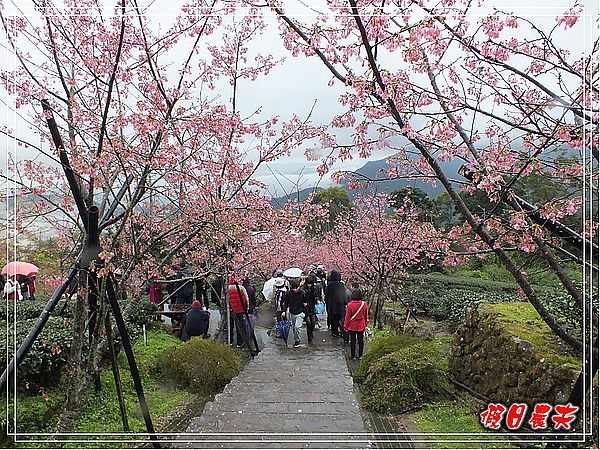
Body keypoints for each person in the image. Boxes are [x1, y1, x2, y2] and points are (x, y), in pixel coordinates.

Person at [344, 289, 369, 360]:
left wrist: (345, 326)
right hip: (361, 325)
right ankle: (360, 355)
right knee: (361, 340)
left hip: (352, 325)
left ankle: (353, 355)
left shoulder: (350, 305)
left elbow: (347, 317)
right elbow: (366, 316)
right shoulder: (364, 304)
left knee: (353, 341)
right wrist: (365, 324)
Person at [228, 274, 250, 348]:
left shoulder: (227, 288)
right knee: (240, 326)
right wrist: (246, 308)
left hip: (230, 310)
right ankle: (239, 342)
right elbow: (245, 299)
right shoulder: (241, 288)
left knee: (230, 325)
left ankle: (230, 341)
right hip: (240, 310)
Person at [325, 270, 348, 339]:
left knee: (333, 318)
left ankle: (334, 332)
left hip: (332, 304)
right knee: (340, 318)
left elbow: (327, 294)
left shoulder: (329, 284)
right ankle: (341, 331)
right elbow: (344, 294)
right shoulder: (341, 285)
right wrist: (345, 302)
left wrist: (327, 302)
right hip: (340, 304)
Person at [286, 276, 306, 348]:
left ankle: (297, 340)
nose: (294, 289)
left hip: (300, 312)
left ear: (298, 286)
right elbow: (286, 302)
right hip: (292, 312)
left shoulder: (303, 293)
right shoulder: (289, 293)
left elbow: (305, 302)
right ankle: (296, 339)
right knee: (294, 327)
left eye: (296, 288)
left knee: (297, 327)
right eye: (293, 288)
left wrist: (304, 311)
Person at [303, 273, 320, 344]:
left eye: (310, 284)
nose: (309, 285)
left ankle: (311, 332)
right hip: (306, 308)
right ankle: (309, 336)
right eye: (308, 284)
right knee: (309, 322)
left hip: (312, 307)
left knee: (313, 322)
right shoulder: (303, 290)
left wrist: (317, 300)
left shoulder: (313, 290)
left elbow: (316, 296)